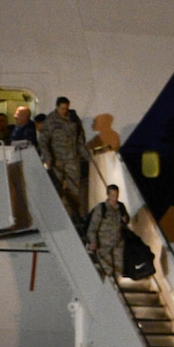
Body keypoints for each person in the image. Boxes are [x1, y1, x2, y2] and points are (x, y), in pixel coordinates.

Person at [35, 95, 90, 223]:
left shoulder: (74, 120)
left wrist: (87, 155)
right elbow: (43, 141)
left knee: (73, 191)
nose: (64, 111)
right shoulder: (50, 121)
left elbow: (80, 140)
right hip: (56, 161)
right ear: (57, 107)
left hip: (72, 160)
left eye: (66, 108)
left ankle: (73, 218)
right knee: (55, 189)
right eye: (62, 109)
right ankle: (53, 218)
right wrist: (48, 158)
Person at [82, 186, 130, 283]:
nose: (114, 198)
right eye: (112, 195)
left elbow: (126, 220)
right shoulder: (102, 208)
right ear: (108, 195)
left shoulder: (120, 207)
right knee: (107, 269)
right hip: (103, 245)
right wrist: (93, 241)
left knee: (118, 269)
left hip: (118, 244)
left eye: (116, 195)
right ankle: (107, 290)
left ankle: (116, 288)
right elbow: (93, 227)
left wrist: (125, 219)